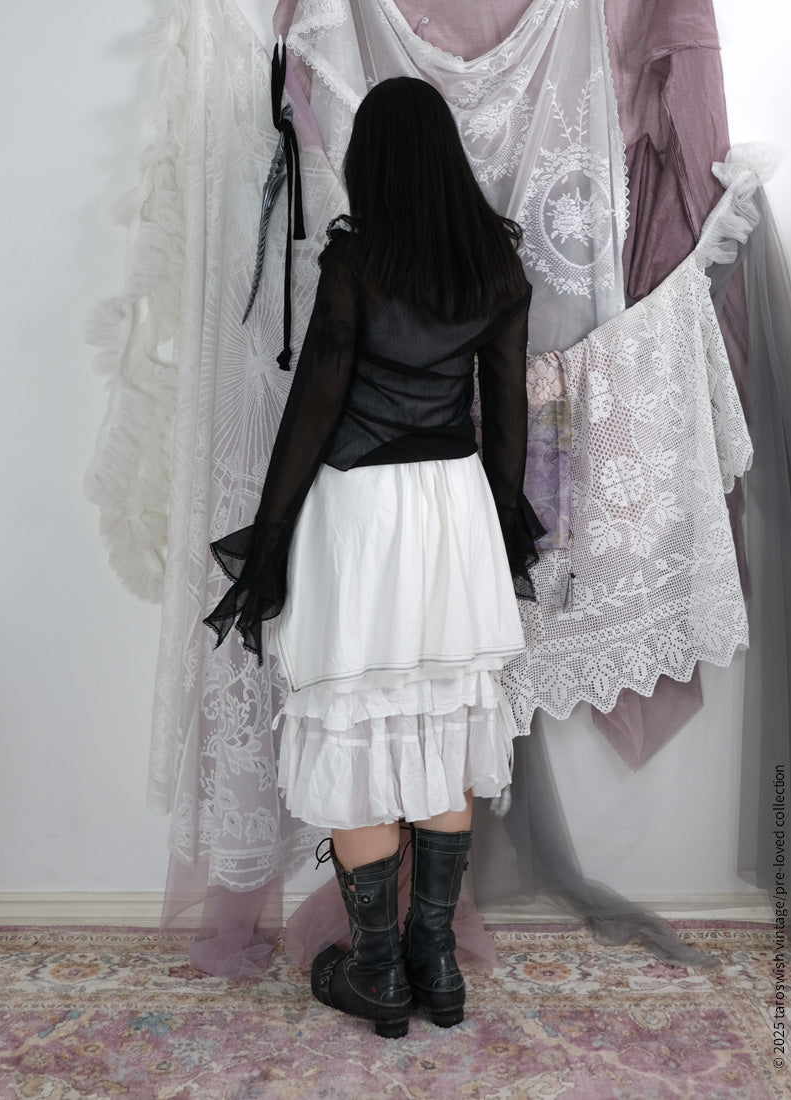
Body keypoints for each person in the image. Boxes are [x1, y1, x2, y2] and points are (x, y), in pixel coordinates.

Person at [204, 76, 542, 1039]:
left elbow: (315, 407)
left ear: (374, 162)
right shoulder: (496, 265)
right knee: (441, 721)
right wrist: (499, 529)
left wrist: (268, 539)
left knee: (355, 721)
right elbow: (505, 418)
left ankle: (380, 974)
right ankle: (437, 967)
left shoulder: (356, 261)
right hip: (453, 511)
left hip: (360, 515)